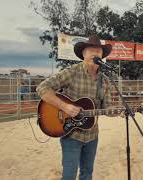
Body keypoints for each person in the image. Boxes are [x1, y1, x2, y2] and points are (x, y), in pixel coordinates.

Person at [36, 35, 113, 180]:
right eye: (90, 50)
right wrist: (65, 107)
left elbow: (107, 108)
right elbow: (42, 88)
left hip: (92, 135)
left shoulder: (105, 81)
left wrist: (120, 111)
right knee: (69, 176)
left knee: (87, 174)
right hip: (71, 135)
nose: (94, 53)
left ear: (102, 55)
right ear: (83, 54)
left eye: (98, 51)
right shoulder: (72, 72)